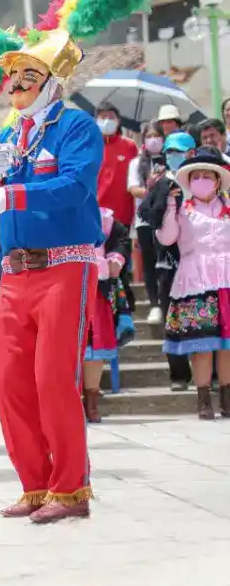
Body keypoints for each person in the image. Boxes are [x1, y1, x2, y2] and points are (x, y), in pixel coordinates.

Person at [0, 26, 117, 522]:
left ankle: (70, 490)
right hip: (14, 272)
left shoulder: (77, 127)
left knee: (53, 380)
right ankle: (35, 485)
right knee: (13, 382)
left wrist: (7, 194)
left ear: (53, 81)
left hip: (65, 265)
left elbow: (73, 187)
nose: (18, 82)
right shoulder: (7, 136)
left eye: (30, 73)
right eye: (13, 75)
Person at [157, 152, 230, 419]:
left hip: (227, 278)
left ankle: (227, 398)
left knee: (227, 346)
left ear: (217, 181)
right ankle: (202, 400)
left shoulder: (229, 206)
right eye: (195, 177)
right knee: (201, 345)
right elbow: (166, 239)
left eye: (206, 176)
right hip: (195, 280)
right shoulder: (181, 209)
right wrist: (168, 209)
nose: (200, 180)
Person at [139, 132, 197, 388]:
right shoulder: (163, 183)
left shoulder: (202, 181)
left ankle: (213, 375)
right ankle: (180, 374)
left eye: (180, 151)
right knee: (172, 318)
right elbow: (146, 214)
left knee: (204, 317)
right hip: (168, 262)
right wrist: (157, 195)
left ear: (191, 153)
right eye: (171, 151)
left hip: (199, 261)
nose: (175, 156)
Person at [81, 208, 134, 423]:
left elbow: (122, 239)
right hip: (62, 284)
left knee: (94, 350)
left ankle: (91, 402)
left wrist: (115, 259)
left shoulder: (104, 218)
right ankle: (70, 400)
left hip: (97, 288)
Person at [128, 125, 168, 325]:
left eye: (157, 136)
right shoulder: (137, 163)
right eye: (149, 136)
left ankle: (167, 302)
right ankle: (154, 305)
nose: (153, 140)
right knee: (150, 263)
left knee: (166, 262)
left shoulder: (169, 160)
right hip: (145, 220)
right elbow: (133, 189)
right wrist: (152, 188)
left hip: (168, 220)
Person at [94, 102, 139, 230]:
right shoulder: (87, 145)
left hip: (122, 215)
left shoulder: (130, 146)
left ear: (118, 121)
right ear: (96, 120)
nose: (107, 120)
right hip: (94, 214)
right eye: (103, 117)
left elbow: (137, 179)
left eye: (111, 117)